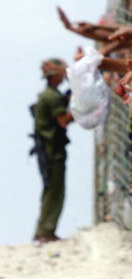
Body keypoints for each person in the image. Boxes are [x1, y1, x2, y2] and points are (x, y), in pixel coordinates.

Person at [32, 58, 73, 243]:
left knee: (50, 190)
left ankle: (44, 229)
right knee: (55, 191)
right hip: (52, 151)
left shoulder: (49, 95)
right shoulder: (52, 97)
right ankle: (45, 231)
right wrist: (81, 109)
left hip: (48, 150)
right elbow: (63, 120)